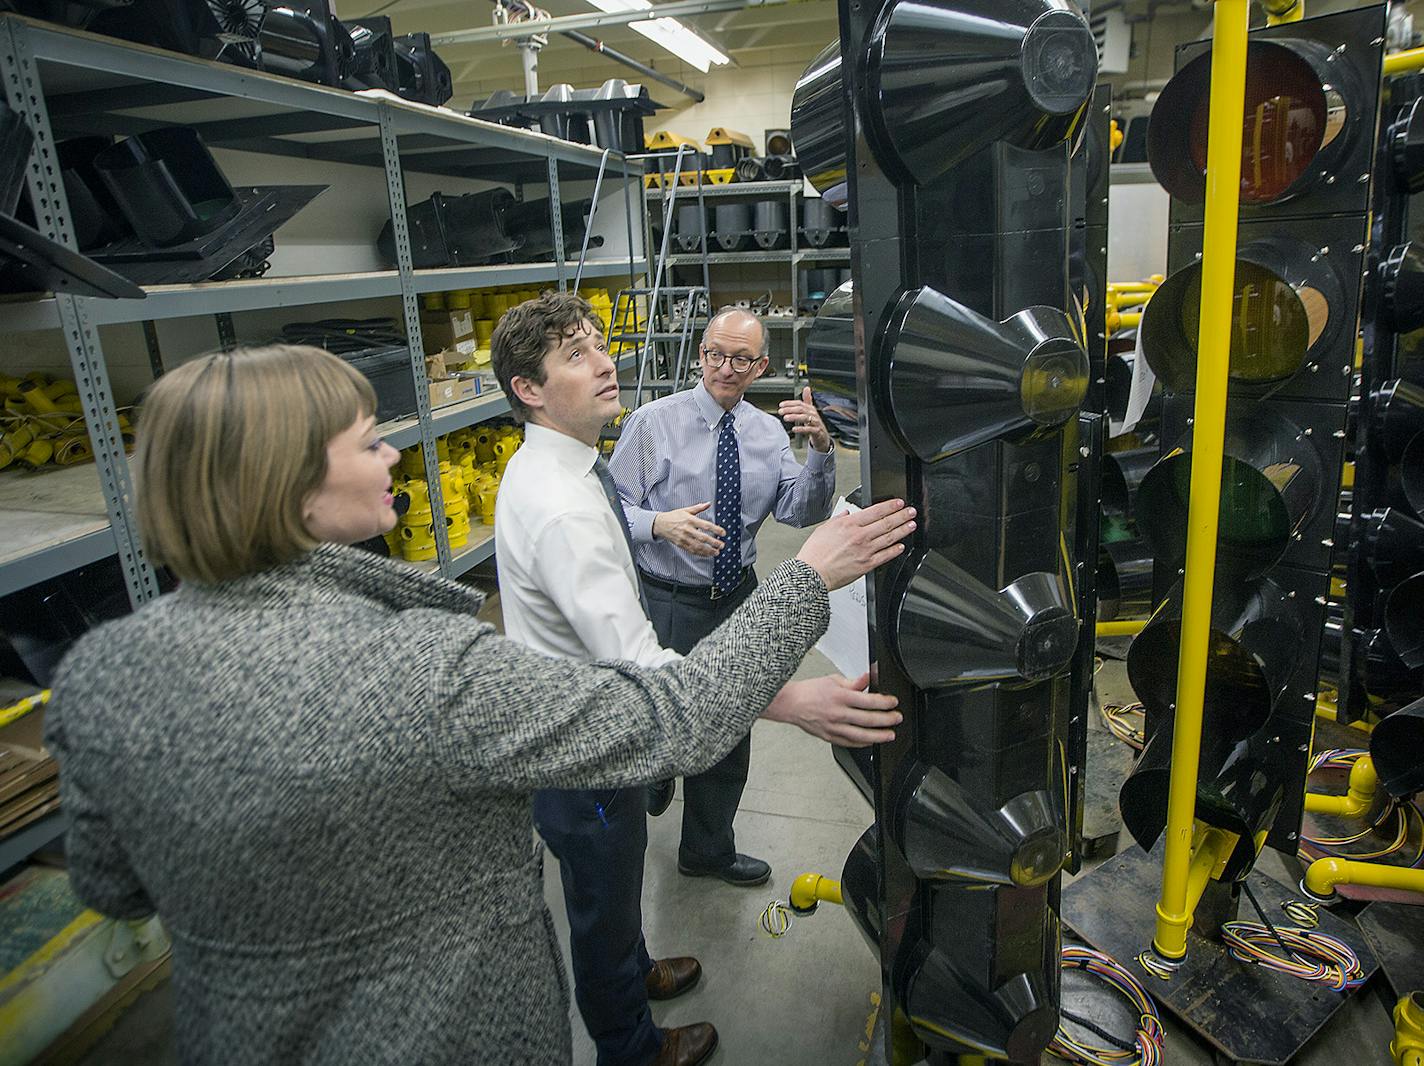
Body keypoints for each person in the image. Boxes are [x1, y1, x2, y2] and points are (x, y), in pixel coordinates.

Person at [42, 344, 915, 1066]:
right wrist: (810, 574)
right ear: (286, 485)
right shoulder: (418, 666)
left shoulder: (99, 672)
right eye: (364, 442)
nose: (392, 455)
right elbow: (676, 717)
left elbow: (115, 886)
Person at [491, 294, 899, 1066]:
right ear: (528, 390)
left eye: (600, 345)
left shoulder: (563, 470)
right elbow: (652, 677)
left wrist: (817, 453)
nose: (607, 361)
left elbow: (790, 506)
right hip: (590, 746)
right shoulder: (565, 505)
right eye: (575, 355)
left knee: (611, 892)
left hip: (615, 697)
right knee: (602, 900)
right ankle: (633, 1048)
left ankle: (636, 967)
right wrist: (790, 697)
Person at [609, 307, 837, 887]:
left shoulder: (765, 432)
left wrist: (821, 453)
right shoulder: (652, 424)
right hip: (666, 600)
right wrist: (660, 525)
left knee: (731, 727)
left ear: (761, 365)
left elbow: (799, 511)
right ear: (700, 354)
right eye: (716, 354)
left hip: (737, 596)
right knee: (656, 717)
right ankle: (655, 780)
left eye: (741, 359)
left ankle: (706, 850)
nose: (725, 369)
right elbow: (609, 511)